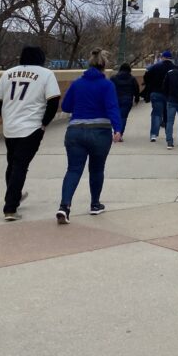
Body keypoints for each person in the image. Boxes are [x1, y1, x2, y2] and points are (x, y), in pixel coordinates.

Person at [0, 46, 61, 221]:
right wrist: (44, 123)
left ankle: (13, 195)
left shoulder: (8, 73)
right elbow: (53, 102)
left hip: (10, 127)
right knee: (20, 165)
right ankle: (10, 207)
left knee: (12, 163)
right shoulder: (46, 74)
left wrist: (6, 116)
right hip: (31, 127)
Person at [56, 49, 123, 224]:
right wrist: (117, 129)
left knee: (73, 169)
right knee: (97, 169)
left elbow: (66, 106)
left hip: (75, 131)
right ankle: (94, 204)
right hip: (100, 132)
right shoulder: (107, 85)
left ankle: (64, 206)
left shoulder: (77, 83)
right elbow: (112, 107)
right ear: (104, 65)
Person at [142, 50, 174, 142]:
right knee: (168, 115)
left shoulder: (155, 67)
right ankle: (168, 135)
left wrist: (150, 84)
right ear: (171, 58)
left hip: (156, 93)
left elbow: (146, 76)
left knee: (156, 114)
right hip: (169, 94)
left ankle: (153, 135)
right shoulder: (174, 68)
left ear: (162, 57)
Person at [110, 63, 140, 139]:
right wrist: (137, 99)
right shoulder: (132, 78)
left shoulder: (114, 78)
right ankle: (120, 134)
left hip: (115, 99)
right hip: (127, 99)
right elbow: (136, 89)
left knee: (116, 116)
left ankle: (116, 132)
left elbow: (109, 88)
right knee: (123, 117)